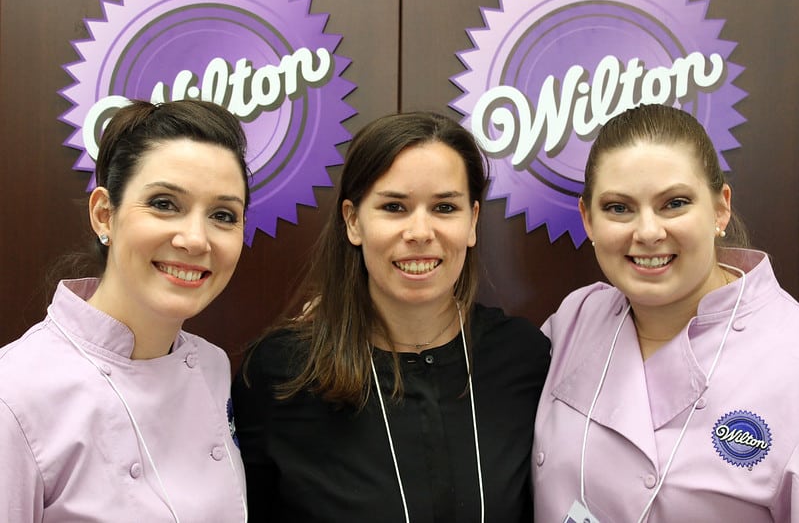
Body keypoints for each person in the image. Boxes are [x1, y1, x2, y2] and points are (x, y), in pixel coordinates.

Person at [232, 111, 551, 522]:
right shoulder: (281, 373)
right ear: (353, 221)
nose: (420, 232)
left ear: (472, 222)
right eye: (395, 207)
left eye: (444, 207)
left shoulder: (522, 357)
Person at [533, 103, 799, 522]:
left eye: (674, 203)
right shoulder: (575, 319)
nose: (648, 232)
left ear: (720, 208)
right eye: (618, 208)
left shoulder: (789, 353)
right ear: (587, 219)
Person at [0, 100, 251, 522]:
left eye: (223, 215)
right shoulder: (15, 395)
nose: (195, 239)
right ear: (104, 215)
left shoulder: (211, 366)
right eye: (165, 203)